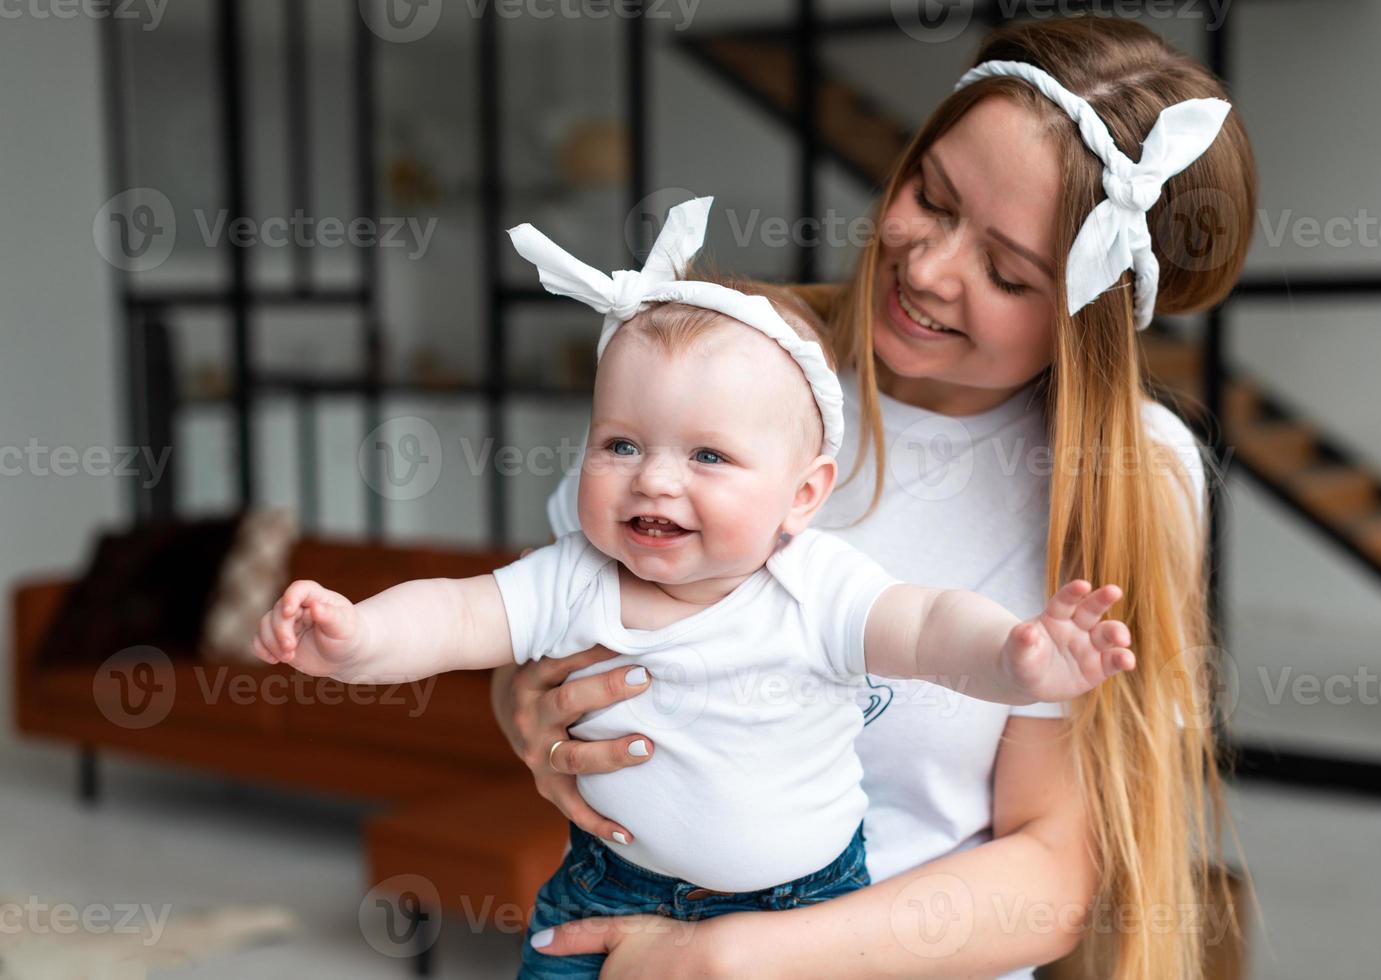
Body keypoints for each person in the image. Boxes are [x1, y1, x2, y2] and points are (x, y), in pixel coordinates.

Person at [493, 15, 1257, 979]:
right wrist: (522, 709)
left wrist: (728, 958)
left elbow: (1051, 874)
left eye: (1006, 272)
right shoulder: (729, 359)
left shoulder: (1126, 479)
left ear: (1087, 318)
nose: (928, 268)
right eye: (930, 197)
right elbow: (557, 629)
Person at [251, 198, 1137, 980]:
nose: (654, 482)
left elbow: (929, 625)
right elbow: (456, 612)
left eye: (707, 456)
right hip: (602, 885)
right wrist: (359, 636)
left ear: (801, 497)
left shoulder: (813, 584)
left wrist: (1014, 656)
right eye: (622, 445)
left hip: (800, 910)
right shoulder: (579, 573)